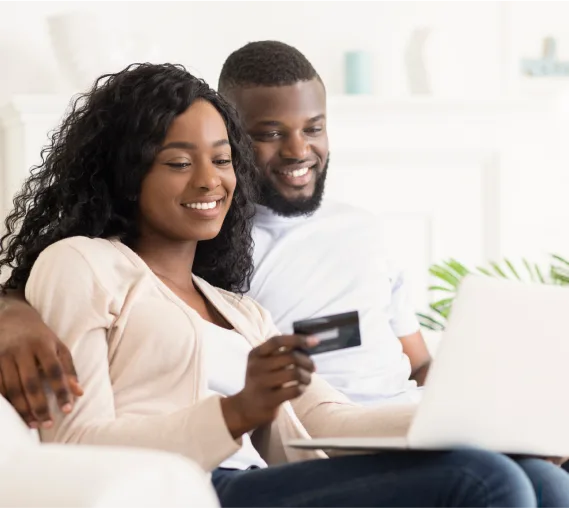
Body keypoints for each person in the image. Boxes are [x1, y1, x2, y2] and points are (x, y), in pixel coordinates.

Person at [0, 62, 568, 508]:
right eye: (178, 162)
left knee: (537, 474)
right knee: (481, 480)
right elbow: (74, 445)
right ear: (126, 174)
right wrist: (237, 412)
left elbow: (325, 421)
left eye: (222, 160)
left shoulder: (242, 311)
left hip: (265, 481)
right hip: (191, 491)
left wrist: (477, 419)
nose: (209, 180)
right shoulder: (82, 264)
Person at [0, 41, 428, 422]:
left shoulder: (362, 229)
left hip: (398, 417)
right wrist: (11, 314)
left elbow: (417, 359)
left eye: (313, 129)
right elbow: (66, 284)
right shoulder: (208, 245)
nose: (299, 150)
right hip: (325, 435)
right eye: (271, 134)